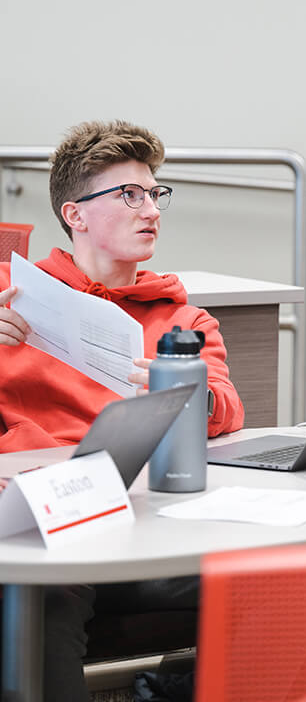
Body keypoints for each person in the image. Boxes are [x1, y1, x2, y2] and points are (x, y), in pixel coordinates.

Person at [0, 120, 245, 700]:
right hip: (44, 523)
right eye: (128, 195)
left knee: (281, 572)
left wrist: (185, 396)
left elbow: (227, 408)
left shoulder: (183, 320)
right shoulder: (11, 297)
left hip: (145, 525)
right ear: (76, 214)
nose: (151, 209)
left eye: (155, 193)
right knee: (44, 594)